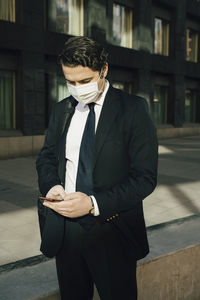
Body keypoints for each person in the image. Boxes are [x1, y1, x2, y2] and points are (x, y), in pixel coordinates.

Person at [36, 36, 158, 300]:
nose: (77, 88)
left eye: (85, 81)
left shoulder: (134, 109)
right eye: (70, 82)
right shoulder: (61, 110)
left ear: (104, 69)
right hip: (66, 232)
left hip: (113, 233)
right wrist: (53, 186)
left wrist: (92, 203)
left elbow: (144, 178)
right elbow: (46, 158)